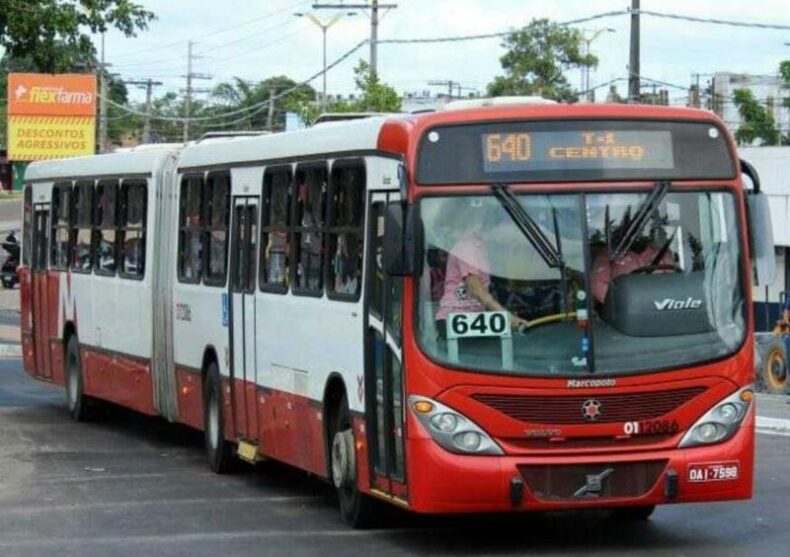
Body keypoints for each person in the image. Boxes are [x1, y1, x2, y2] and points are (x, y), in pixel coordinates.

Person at [435, 202, 528, 337]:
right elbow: (476, 289)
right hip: (456, 322)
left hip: (471, 318)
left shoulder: (482, 248)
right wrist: (507, 317)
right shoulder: (468, 247)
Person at [591, 215, 675, 304]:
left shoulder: (662, 254)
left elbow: (675, 283)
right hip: (629, 312)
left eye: (641, 230)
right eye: (633, 231)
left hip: (663, 307)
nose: (638, 234)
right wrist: (628, 303)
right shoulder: (609, 256)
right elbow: (599, 286)